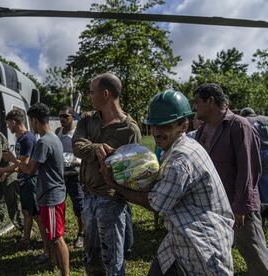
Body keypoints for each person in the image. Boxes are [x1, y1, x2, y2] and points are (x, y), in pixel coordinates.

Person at [100, 90, 235, 275]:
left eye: (165, 126)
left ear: (183, 125)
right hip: (180, 237)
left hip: (201, 242)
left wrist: (116, 185)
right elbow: (161, 184)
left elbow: (156, 203)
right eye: (153, 125)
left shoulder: (180, 160)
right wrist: (125, 160)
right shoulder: (178, 147)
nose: (157, 132)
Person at [193, 83, 268, 275]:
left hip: (239, 208)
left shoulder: (239, 126)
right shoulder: (203, 130)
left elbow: (248, 170)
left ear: (211, 101)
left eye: (197, 102)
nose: (195, 107)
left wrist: (240, 207)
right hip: (213, 207)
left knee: (255, 255)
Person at [72, 72, 141, 275]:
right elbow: (76, 146)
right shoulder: (87, 120)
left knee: (113, 260)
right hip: (88, 197)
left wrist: (115, 170)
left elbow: (135, 173)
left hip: (112, 202)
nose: (89, 97)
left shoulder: (130, 130)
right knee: (91, 256)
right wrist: (96, 148)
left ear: (105, 94)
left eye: (92, 92)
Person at [6, 103, 70, 275]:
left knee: (57, 238)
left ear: (34, 121)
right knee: (52, 234)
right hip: (54, 193)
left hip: (51, 197)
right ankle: (53, 261)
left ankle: (65, 273)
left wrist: (13, 159)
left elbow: (28, 170)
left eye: (31, 121)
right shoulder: (54, 137)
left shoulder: (43, 142)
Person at [0, 109, 41, 248]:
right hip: (23, 180)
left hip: (30, 181)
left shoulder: (27, 139)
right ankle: (26, 239)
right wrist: (7, 173)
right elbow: (19, 165)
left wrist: (6, 166)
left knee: (36, 214)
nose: (8, 126)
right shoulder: (20, 138)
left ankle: (48, 242)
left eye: (8, 123)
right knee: (27, 212)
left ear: (14, 122)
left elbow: (25, 165)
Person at [55, 105, 85, 248]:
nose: (62, 119)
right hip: (60, 175)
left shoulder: (79, 133)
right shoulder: (58, 132)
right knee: (59, 205)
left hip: (75, 175)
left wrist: (75, 160)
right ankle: (59, 233)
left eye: (65, 116)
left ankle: (82, 234)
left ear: (73, 117)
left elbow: (84, 152)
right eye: (60, 116)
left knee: (79, 205)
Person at [240, 107, 268, 205]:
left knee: (257, 179)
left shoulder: (246, 120)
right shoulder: (265, 118)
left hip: (259, 151)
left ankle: (263, 206)